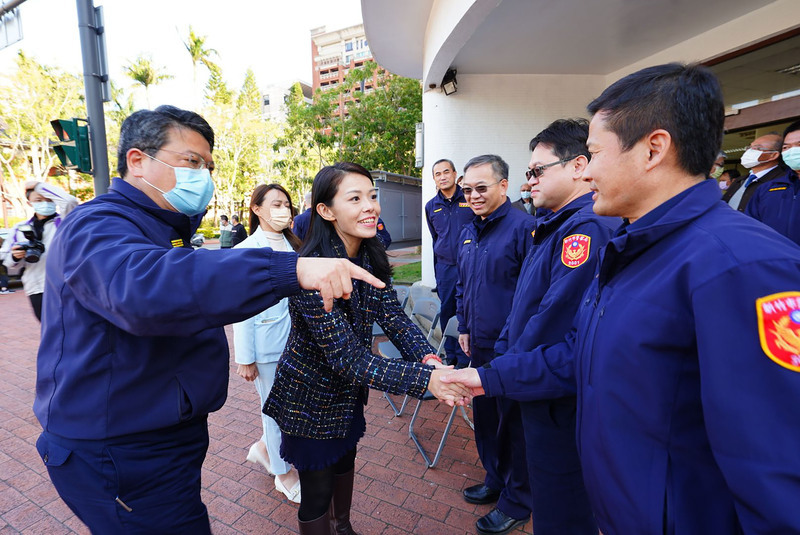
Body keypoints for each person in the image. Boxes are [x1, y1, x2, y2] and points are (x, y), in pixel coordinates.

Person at [444, 62, 800, 533]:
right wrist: (486, 377)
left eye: (593, 154)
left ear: (653, 149)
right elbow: (578, 354)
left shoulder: (745, 267)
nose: (585, 172)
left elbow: (776, 475)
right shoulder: (633, 248)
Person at [33, 106, 387, 534]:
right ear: (138, 160)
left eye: (208, 165)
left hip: (157, 435)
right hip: (118, 447)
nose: (203, 176)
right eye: (192, 162)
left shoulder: (164, 229)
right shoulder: (96, 225)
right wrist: (290, 270)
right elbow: (145, 288)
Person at [264, 162, 469, 535]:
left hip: (346, 398)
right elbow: (350, 359)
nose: (370, 206)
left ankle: (344, 529)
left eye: (372, 196)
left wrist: (428, 358)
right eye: (355, 198)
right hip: (309, 403)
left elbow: (394, 317)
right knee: (317, 492)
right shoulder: (310, 273)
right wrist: (428, 380)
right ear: (326, 211)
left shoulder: (370, 256)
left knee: (345, 467)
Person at [476, 119, 618, 535]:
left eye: (538, 171)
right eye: (528, 173)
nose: (530, 181)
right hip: (528, 373)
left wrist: (507, 368)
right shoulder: (553, 223)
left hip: (553, 389)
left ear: (577, 167)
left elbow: (554, 320)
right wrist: (505, 353)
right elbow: (525, 302)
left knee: (561, 505)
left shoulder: (585, 227)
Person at [456, 154, 535, 535]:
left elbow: (531, 295)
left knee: (513, 424)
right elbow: (463, 284)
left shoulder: (525, 228)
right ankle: (495, 477)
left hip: (511, 349)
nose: (473, 195)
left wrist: (513, 344)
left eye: (481, 188)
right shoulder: (469, 229)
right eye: (467, 189)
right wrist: (465, 326)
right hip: (478, 345)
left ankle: (518, 501)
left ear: (504, 186)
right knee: (486, 419)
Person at [234, 184, 303, 503]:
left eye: (287, 204)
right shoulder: (247, 249)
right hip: (267, 347)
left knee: (294, 407)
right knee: (276, 413)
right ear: (257, 209)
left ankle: (264, 448)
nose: (284, 209)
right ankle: (282, 472)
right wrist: (244, 357)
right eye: (276, 204)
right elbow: (241, 307)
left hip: (299, 343)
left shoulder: (295, 244)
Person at [1, 180, 77, 320]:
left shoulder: (64, 222)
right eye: (38, 199)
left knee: (73, 329)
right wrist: (16, 256)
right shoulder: (20, 228)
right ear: (29, 202)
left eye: (49, 199)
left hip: (65, 286)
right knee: (50, 333)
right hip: (37, 288)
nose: (45, 203)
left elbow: (70, 201)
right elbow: (7, 262)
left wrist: (38, 186)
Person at [425, 158, 474, 368]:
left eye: (446, 172)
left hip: (470, 264)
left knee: (470, 308)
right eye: (438, 174)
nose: (443, 177)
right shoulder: (431, 207)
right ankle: (451, 354)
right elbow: (436, 239)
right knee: (448, 310)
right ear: (434, 179)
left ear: (455, 175)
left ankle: (467, 356)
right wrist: (437, 272)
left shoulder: (470, 199)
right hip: (446, 268)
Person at [745, 120, 800, 245]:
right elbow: (751, 229)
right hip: (772, 261)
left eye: (799, 144)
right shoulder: (767, 189)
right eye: (786, 147)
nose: (793, 151)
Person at [722, 133, 785, 211]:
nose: (750, 151)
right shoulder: (740, 181)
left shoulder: (783, 182)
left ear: (773, 155)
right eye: (750, 147)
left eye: (758, 148)